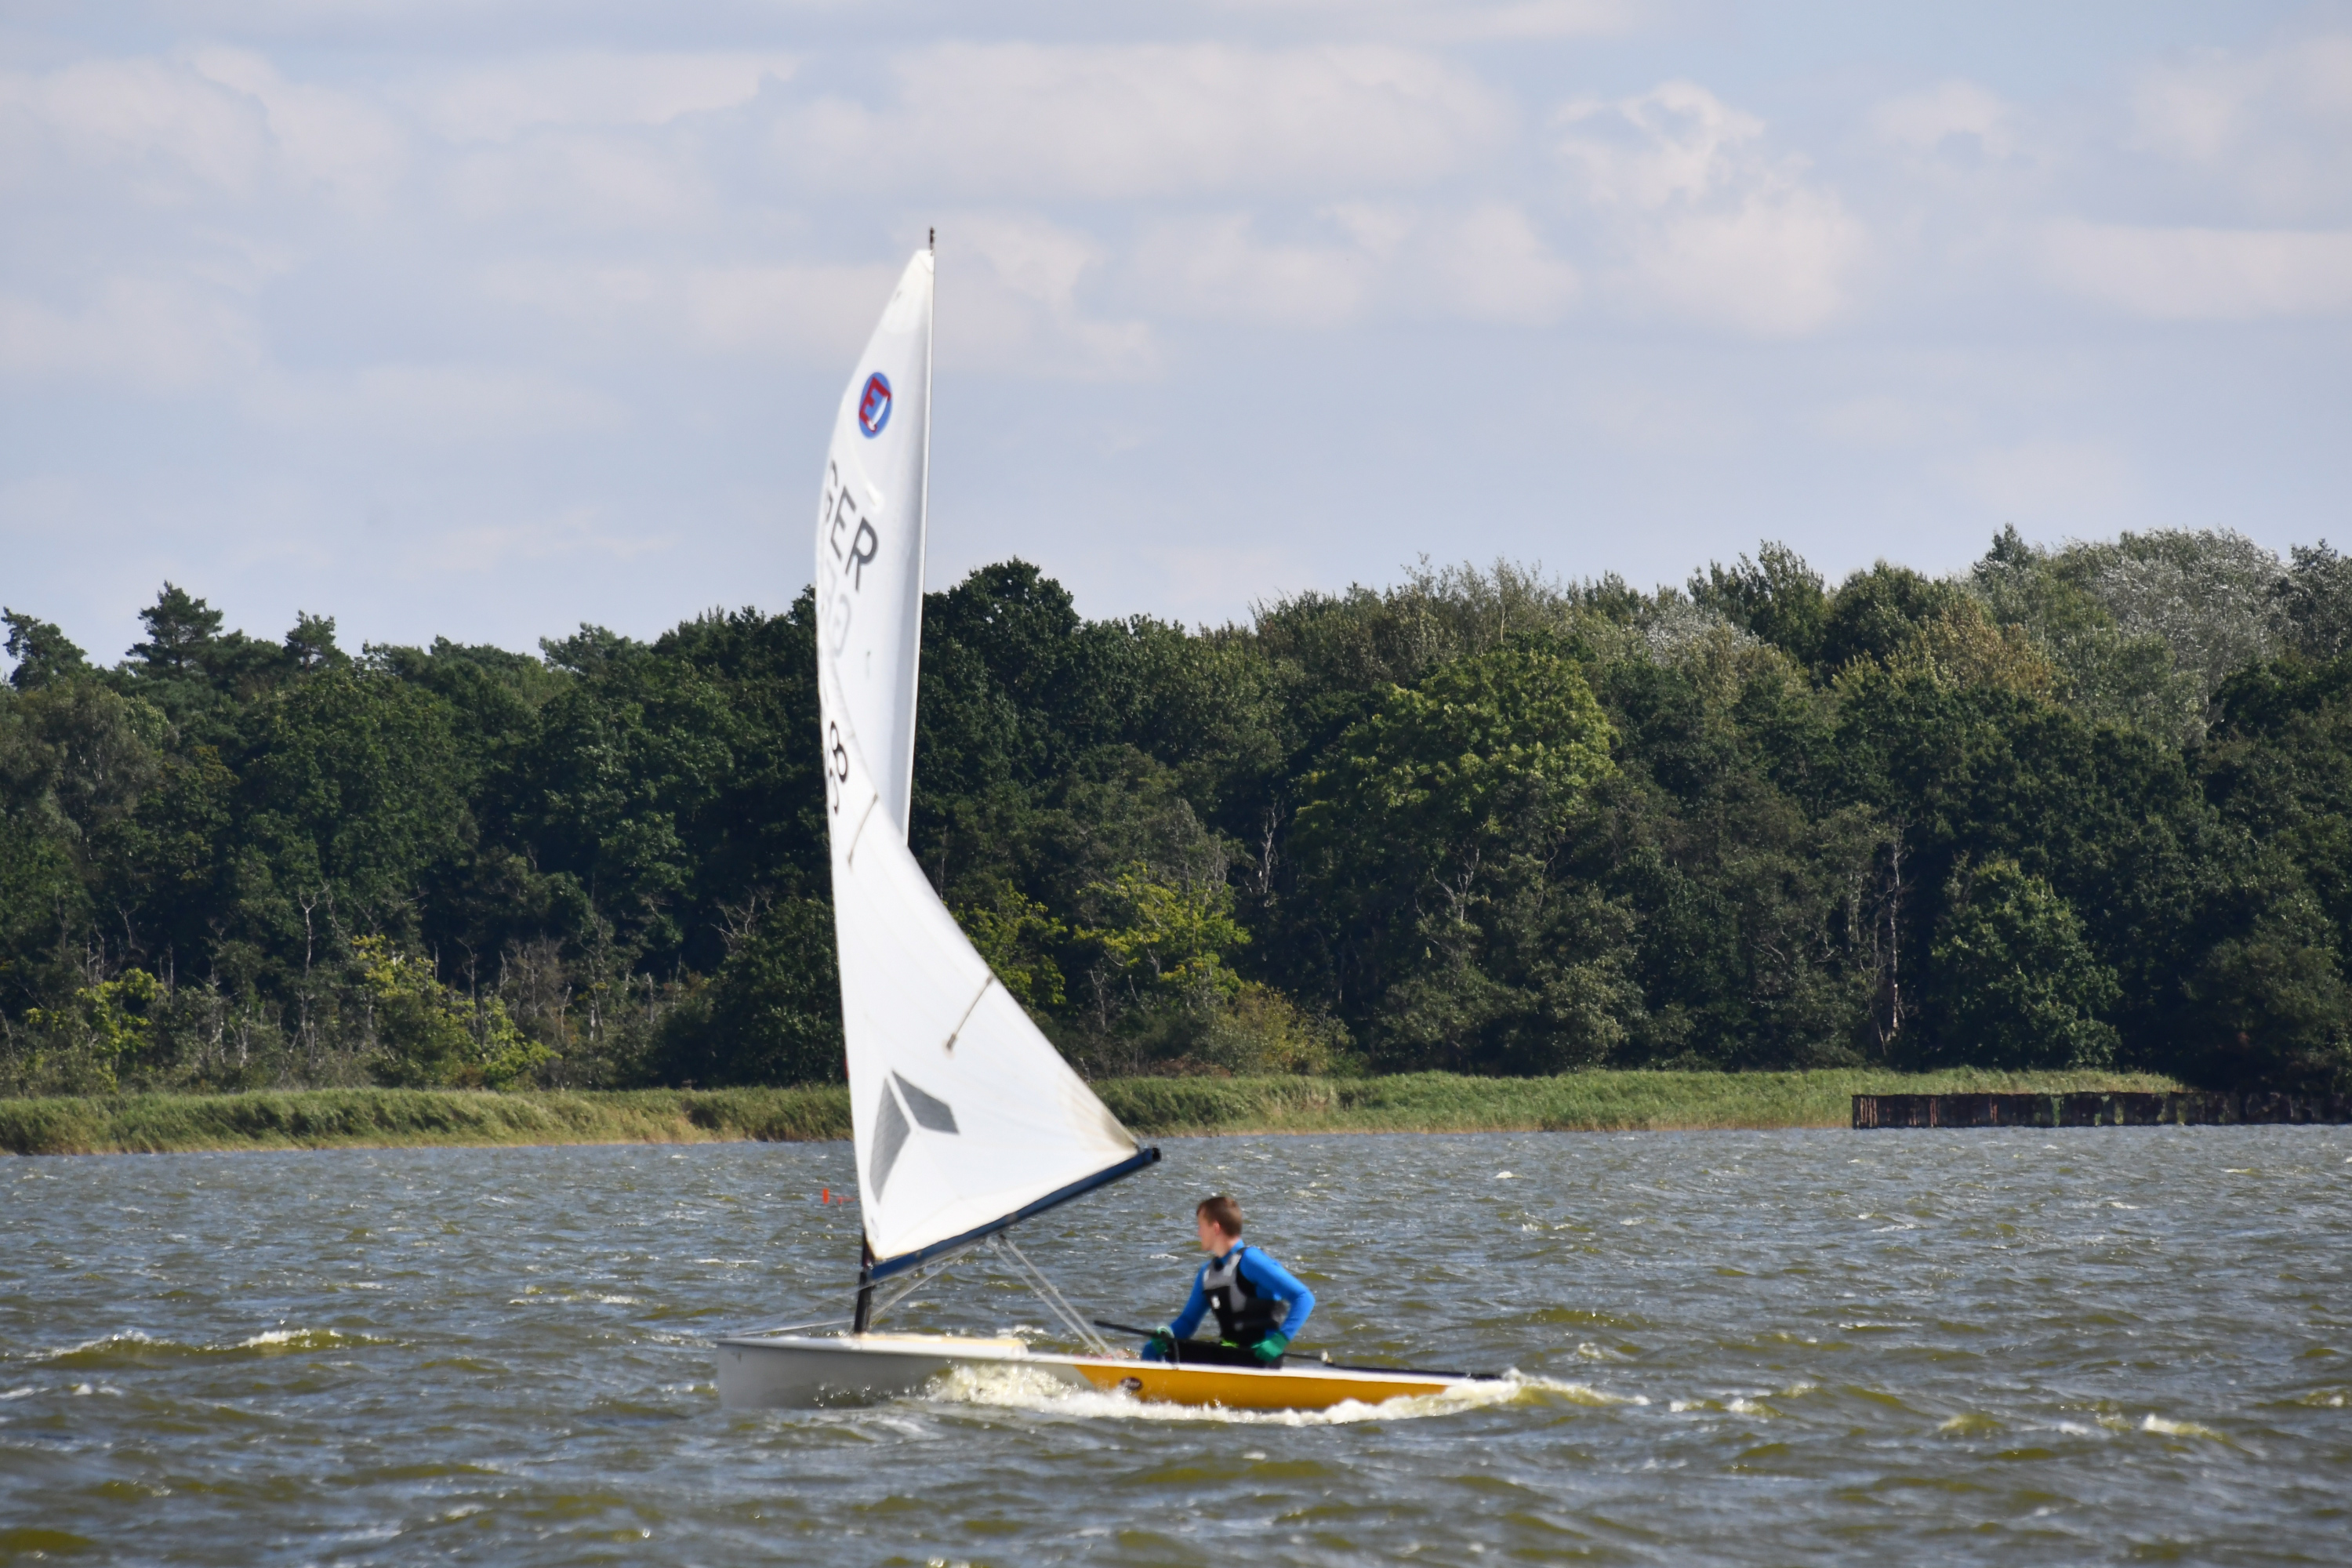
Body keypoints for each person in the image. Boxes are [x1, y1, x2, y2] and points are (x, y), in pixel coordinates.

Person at [1140, 1194, 1314, 1368]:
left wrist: (1279, 1341)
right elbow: (1188, 1321)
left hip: (1259, 1358)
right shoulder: (1206, 1273)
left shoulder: (1251, 1261)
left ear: (1215, 1228)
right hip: (1228, 1355)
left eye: (1201, 1226)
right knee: (1154, 1349)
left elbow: (1304, 1297)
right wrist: (1167, 1334)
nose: (1198, 1233)